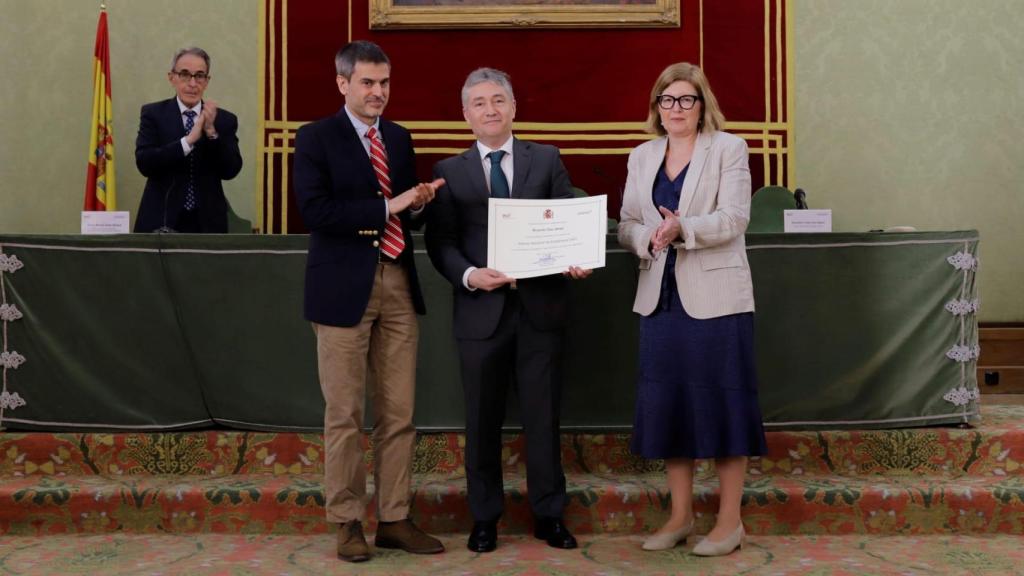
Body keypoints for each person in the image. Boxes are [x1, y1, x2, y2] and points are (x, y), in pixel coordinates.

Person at [426, 67, 591, 554]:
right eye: (479, 103)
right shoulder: (449, 172)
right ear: (466, 115)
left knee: (543, 418)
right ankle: (484, 519)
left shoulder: (546, 158)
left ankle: (548, 515)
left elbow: (568, 222)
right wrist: (471, 276)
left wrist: (574, 258)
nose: (490, 109)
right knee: (481, 421)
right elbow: (442, 244)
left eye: (498, 100)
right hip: (480, 312)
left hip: (541, 308)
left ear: (514, 107)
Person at [292, 40, 445, 563]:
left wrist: (420, 204)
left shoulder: (398, 138)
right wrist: (389, 205)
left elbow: (403, 211)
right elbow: (316, 212)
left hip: (399, 283)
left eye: (384, 83)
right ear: (342, 84)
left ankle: (396, 519)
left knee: (399, 412)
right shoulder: (314, 137)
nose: (378, 92)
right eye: (367, 83)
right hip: (341, 290)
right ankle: (348, 522)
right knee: (344, 413)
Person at [617, 62, 768, 557]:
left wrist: (684, 228)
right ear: (655, 107)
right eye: (666, 99)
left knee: (724, 405)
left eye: (685, 100)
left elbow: (736, 217)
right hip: (659, 297)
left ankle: (729, 523)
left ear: (703, 105)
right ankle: (680, 517)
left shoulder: (729, 148)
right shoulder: (641, 156)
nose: (675, 109)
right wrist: (649, 236)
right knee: (670, 409)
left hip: (717, 299)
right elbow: (628, 223)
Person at [134, 47, 243, 233]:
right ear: (172, 78)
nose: (193, 83)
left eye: (199, 76)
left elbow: (231, 170)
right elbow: (145, 163)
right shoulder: (153, 114)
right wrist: (188, 141)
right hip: (161, 219)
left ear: (207, 81)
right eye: (185, 74)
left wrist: (211, 133)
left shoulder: (224, 120)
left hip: (208, 223)